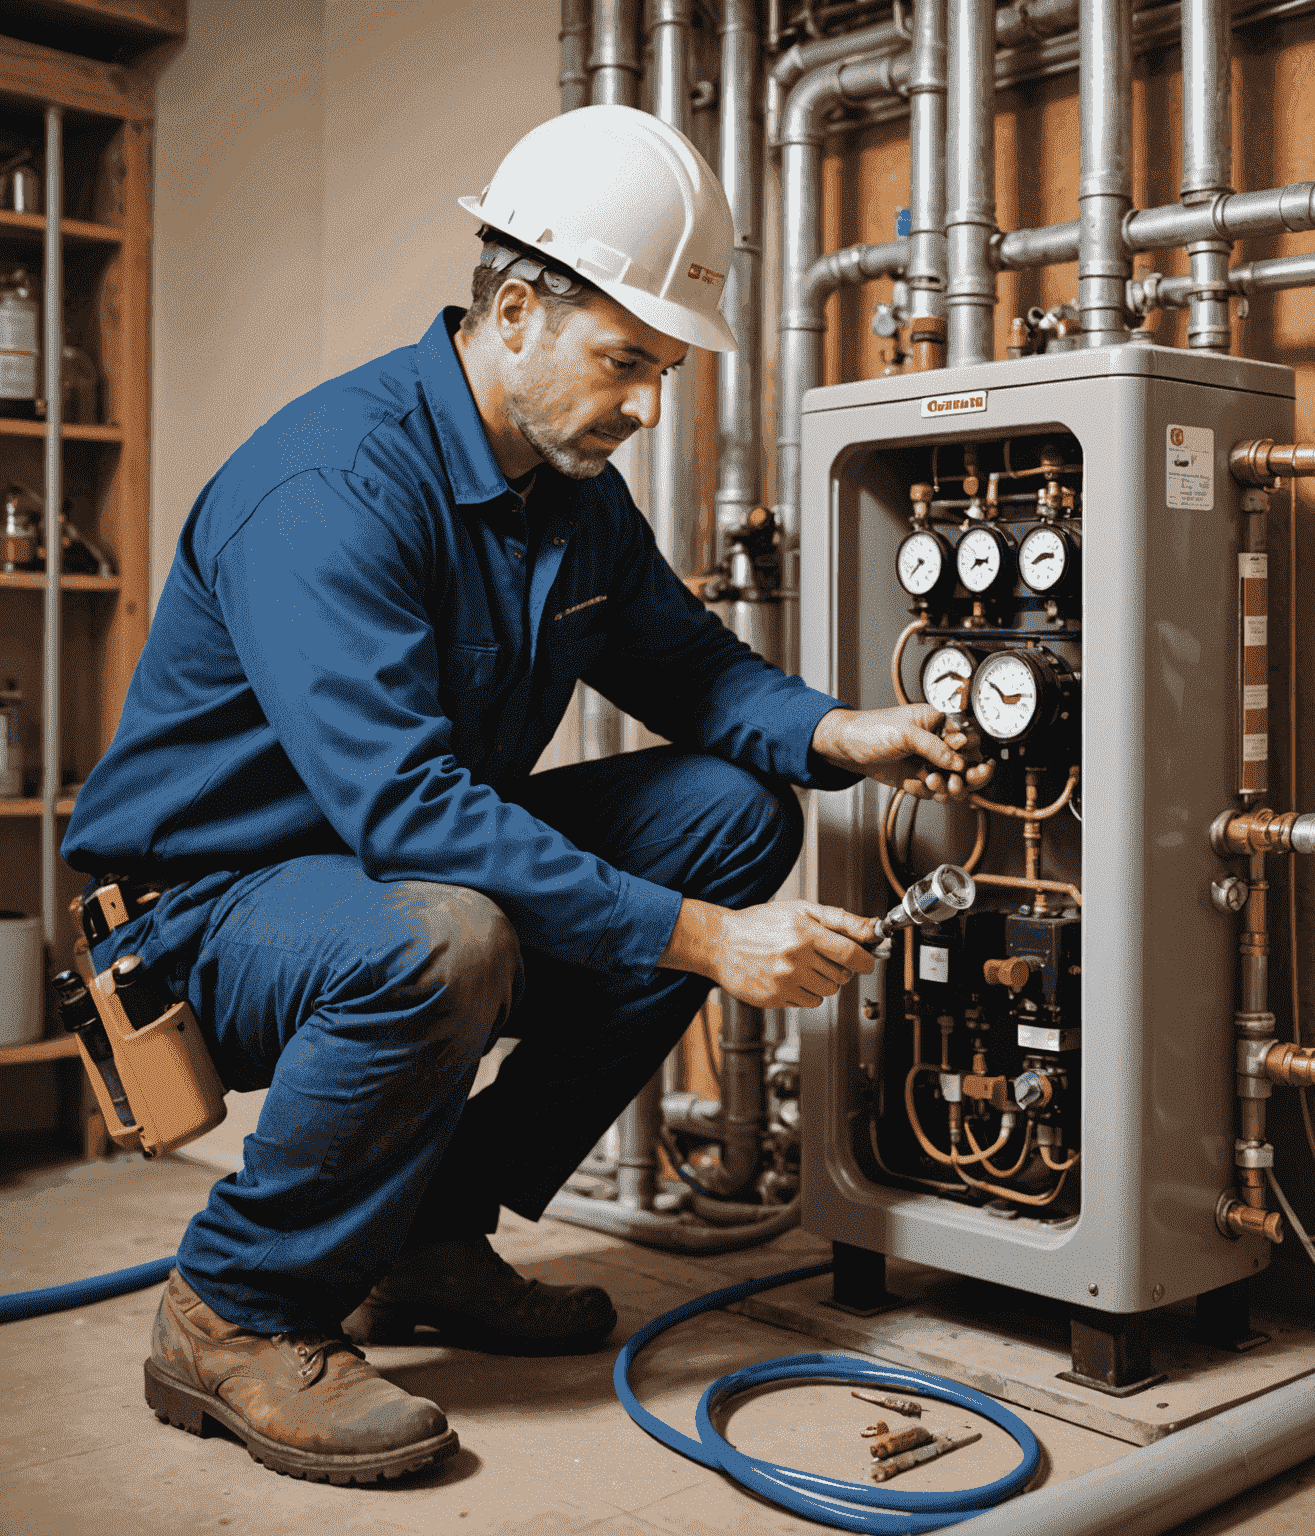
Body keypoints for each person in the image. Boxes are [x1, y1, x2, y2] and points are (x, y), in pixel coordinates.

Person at [61, 105, 991, 1484]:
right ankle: (234, 1307)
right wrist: (708, 941)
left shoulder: (571, 491)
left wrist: (844, 732)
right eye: (627, 361)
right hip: (203, 917)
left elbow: (691, 669)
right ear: (513, 311)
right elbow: (412, 814)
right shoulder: (333, 486)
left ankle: (433, 1229)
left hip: (383, 881)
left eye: (665, 367)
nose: (648, 405)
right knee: (449, 929)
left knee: (731, 816)